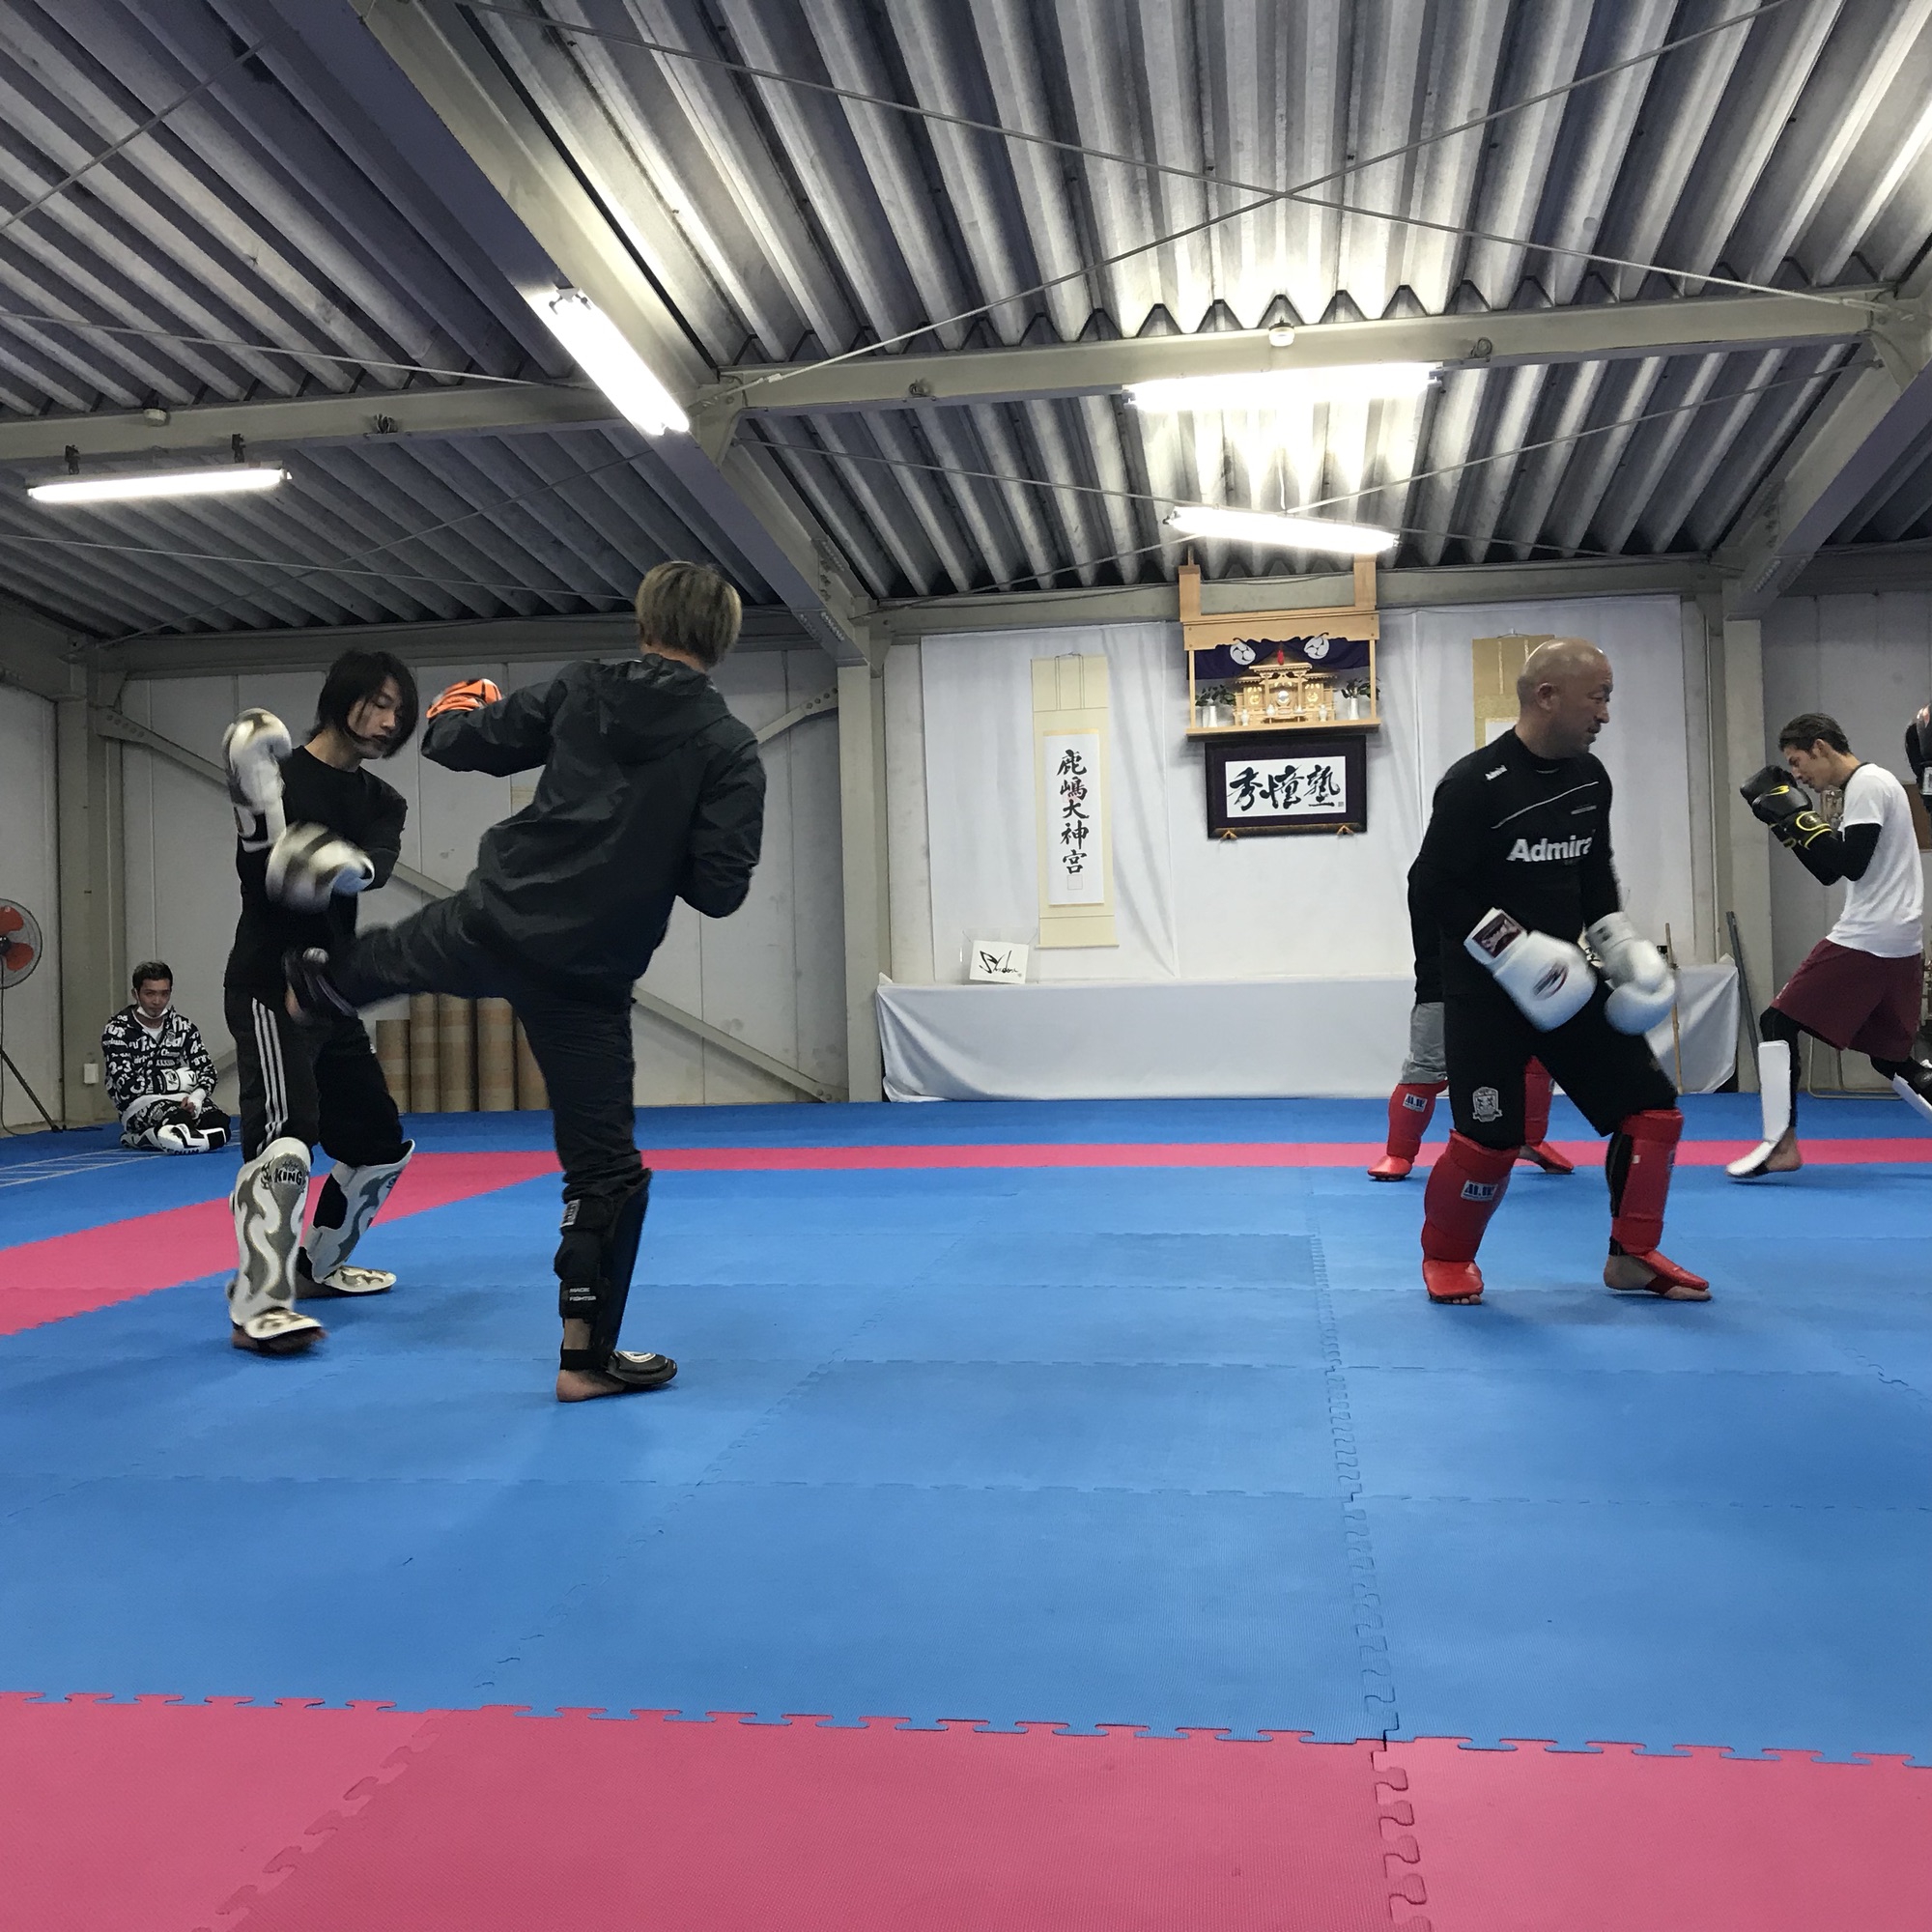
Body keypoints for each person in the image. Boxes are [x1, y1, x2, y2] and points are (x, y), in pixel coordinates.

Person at [282, 561, 767, 1404]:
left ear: (644, 623)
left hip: (497, 918)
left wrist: (458, 703)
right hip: (591, 967)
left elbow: (454, 743)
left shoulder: (583, 688)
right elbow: (720, 891)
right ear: (723, 642)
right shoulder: (728, 747)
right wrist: (658, 847)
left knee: (383, 960)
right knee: (604, 1170)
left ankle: (310, 992)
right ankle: (583, 1359)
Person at [1406, 638, 1702, 1305]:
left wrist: (1620, 945)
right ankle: (1448, 1256)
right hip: (1486, 990)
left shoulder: (1590, 779)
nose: (1605, 713)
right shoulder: (1473, 784)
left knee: (1651, 1108)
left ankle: (1632, 1257)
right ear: (1548, 696)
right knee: (1490, 1139)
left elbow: (1593, 875)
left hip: (1567, 978)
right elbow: (1431, 887)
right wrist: (1510, 947)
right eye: (1597, 697)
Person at [221, 650, 418, 1355]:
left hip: (329, 990)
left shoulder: (383, 803)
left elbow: (373, 870)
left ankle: (317, 1269)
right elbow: (260, 878)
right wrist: (268, 821)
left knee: (379, 1144)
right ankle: (258, 1303)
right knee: (287, 1133)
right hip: (266, 983)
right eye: (379, 702)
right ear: (342, 697)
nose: (389, 721)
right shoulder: (283, 779)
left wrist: (338, 865)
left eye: (399, 711)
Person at [1729, 714, 1932, 1178]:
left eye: (1797, 761)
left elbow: (1850, 863)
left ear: (1820, 747)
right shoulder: (1867, 786)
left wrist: (1795, 815)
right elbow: (1827, 870)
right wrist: (1785, 824)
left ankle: (1780, 1144)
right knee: (1890, 1058)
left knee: (1776, 1021)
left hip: (1869, 934)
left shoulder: (1867, 784)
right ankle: (1781, 1143)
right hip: (1898, 939)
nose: (1797, 774)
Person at [1370, 884, 1574, 1180]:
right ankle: (1398, 1153)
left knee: (1537, 1059)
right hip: (1442, 988)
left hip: (1508, 984)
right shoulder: (1434, 874)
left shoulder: (1503, 872)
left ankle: (1530, 1140)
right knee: (1426, 1069)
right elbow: (1467, 926)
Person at [101, 961, 229, 1152]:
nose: (157, 1001)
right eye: (150, 993)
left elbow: (208, 1071)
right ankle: (140, 1136)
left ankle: (157, 1137)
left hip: (182, 1098)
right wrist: (177, 1080)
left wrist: (196, 1097)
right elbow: (127, 1086)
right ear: (135, 994)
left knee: (218, 1123)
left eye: (164, 994)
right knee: (178, 1121)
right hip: (139, 1103)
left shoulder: (182, 1027)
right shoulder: (117, 1030)